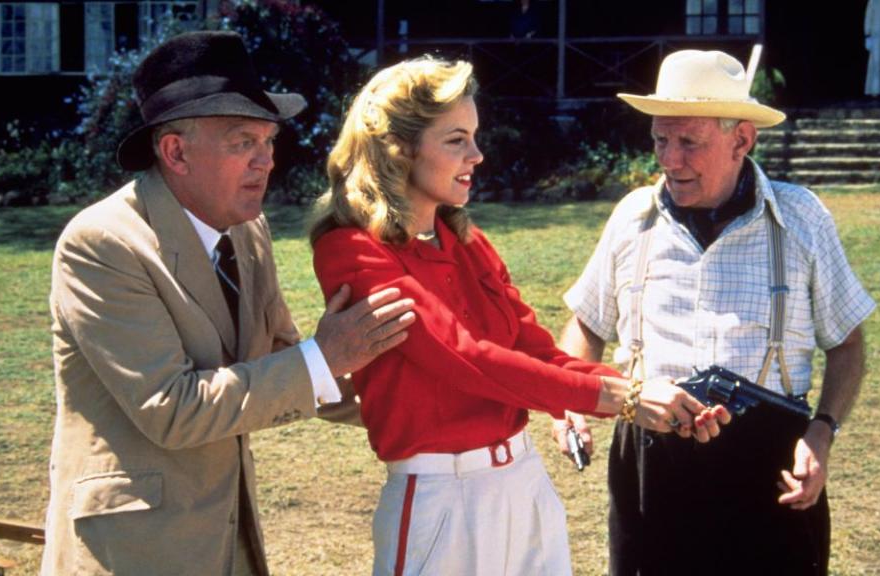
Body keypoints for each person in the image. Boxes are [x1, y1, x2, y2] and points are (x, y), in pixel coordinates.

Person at [308, 56, 726, 576]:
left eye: (474, 136)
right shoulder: (350, 249)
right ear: (399, 150)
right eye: (456, 140)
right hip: (439, 500)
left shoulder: (466, 241)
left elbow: (537, 352)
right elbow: (464, 358)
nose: (478, 155)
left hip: (524, 484)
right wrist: (624, 398)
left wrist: (648, 396)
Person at [41, 31, 416, 576]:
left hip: (225, 540)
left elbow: (284, 357)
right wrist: (324, 357)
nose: (266, 162)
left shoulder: (247, 230)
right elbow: (170, 409)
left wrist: (434, 399)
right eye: (244, 142)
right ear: (175, 152)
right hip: (133, 553)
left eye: (269, 142)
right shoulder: (102, 244)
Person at [553, 49, 876, 575]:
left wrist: (822, 432)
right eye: (661, 139)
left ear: (741, 140)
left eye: (689, 143)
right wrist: (569, 399)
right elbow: (588, 323)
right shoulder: (633, 217)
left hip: (771, 469)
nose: (669, 159)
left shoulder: (800, 220)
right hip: (649, 461)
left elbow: (847, 341)